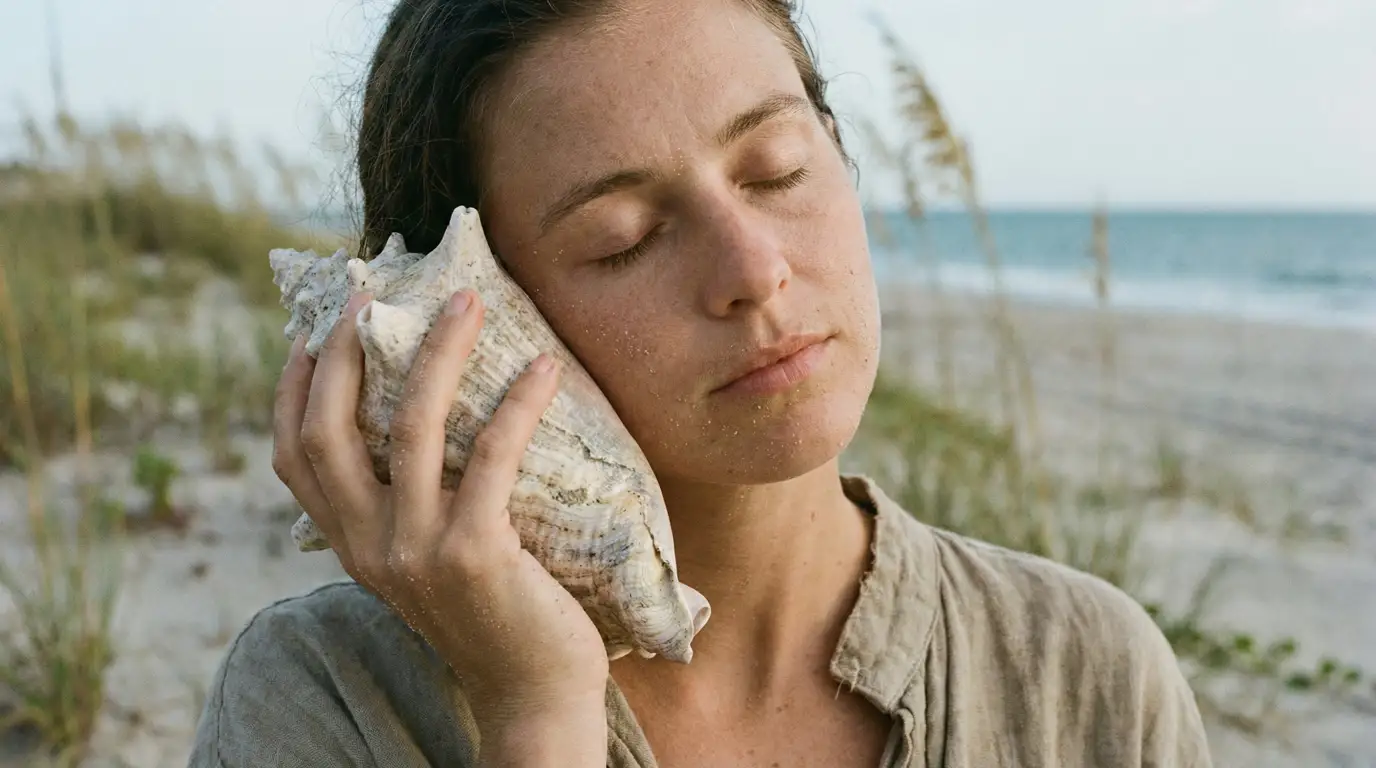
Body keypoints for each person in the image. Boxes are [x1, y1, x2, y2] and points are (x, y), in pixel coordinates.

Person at [188, 0, 1213, 765]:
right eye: (621, 240)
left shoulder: (1081, 670)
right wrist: (537, 714)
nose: (752, 269)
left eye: (773, 169)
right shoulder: (327, 697)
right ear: (492, 313)